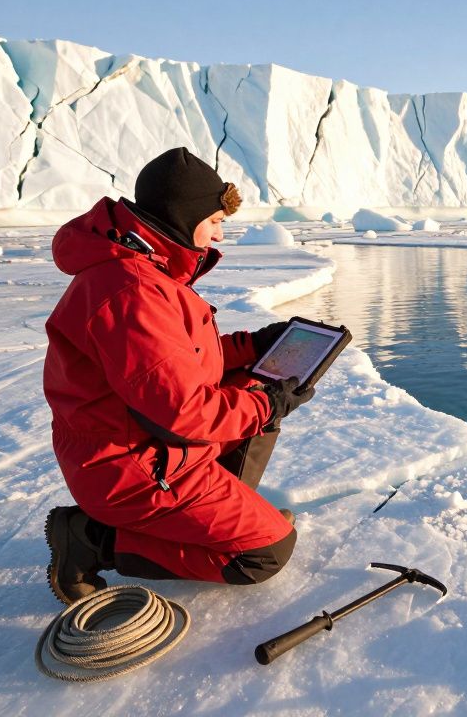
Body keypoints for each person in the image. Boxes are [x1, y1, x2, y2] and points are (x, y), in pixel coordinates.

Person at [41, 147, 314, 604]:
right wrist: (269, 404)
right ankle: (91, 539)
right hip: (129, 466)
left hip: (144, 446)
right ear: (184, 217)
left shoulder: (147, 273)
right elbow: (182, 409)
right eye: (214, 220)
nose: (220, 234)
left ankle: (218, 516)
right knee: (266, 551)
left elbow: (177, 363)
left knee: (252, 384)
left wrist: (252, 346)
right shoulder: (131, 291)